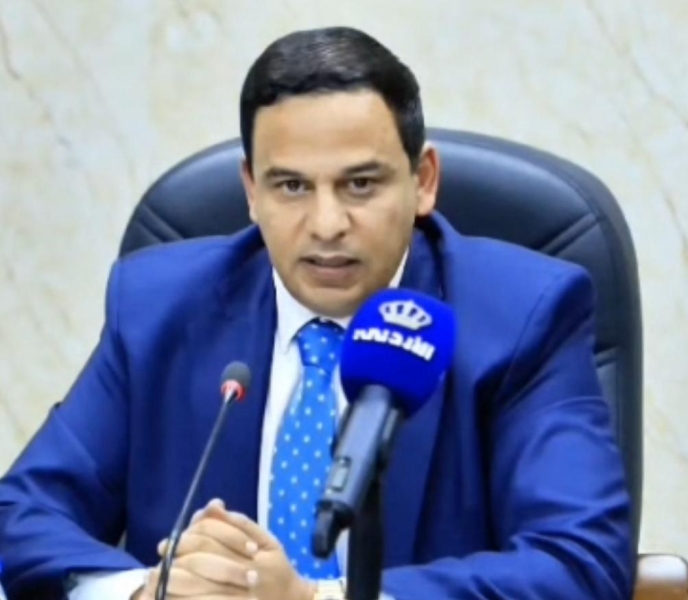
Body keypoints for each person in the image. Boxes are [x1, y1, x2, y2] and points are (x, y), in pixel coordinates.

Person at [0, 26, 633, 600]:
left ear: (423, 181)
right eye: (292, 186)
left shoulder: (523, 317)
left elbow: (578, 563)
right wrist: (151, 592)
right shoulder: (159, 307)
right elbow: (22, 514)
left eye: (360, 184)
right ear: (252, 190)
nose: (327, 224)